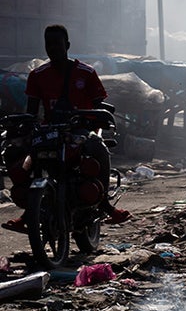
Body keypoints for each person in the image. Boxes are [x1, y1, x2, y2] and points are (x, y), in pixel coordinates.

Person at [2, 24, 129, 232]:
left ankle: (105, 204)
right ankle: (29, 211)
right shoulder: (37, 75)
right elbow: (32, 111)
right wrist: (21, 126)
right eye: (48, 44)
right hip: (49, 132)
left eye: (57, 44)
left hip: (80, 132)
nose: (52, 48)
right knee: (15, 151)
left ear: (67, 45)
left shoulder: (86, 73)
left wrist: (99, 119)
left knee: (100, 149)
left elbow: (98, 106)